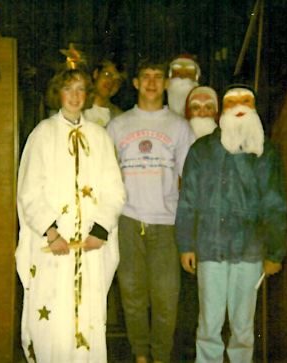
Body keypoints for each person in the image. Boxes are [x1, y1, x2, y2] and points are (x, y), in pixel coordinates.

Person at [15, 69, 126, 363]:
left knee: (87, 318)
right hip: (54, 249)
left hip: (89, 248)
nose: (75, 96)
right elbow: (29, 191)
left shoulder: (100, 138)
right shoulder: (43, 134)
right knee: (52, 317)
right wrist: (51, 233)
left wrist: (99, 230)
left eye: (80, 89)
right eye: (68, 89)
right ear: (58, 93)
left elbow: (115, 190)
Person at [175, 85, 287, 363]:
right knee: (208, 327)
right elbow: (187, 200)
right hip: (209, 250)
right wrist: (186, 245)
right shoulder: (201, 150)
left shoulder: (266, 152)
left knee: (243, 329)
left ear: (254, 106)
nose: (239, 107)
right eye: (232, 102)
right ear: (222, 109)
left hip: (249, 253)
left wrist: (275, 253)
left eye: (246, 101)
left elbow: (275, 205)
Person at [107, 57, 195, 363]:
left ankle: (160, 357)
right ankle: (140, 357)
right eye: (145, 76)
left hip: (166, 223)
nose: (152, 82)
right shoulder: (117, 125)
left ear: (167, 83)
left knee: (166, 299)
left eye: (158, 76)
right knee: (131, 296)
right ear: (135, 82)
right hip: (128, 221)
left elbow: (190, 179)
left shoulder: (179, 127)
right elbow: (105, 176)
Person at [83, 59, 126, 127]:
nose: (111, 82)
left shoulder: (120, 119)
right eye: (107, 74)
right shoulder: (75, 105)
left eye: (117, 81)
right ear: (96, 73)